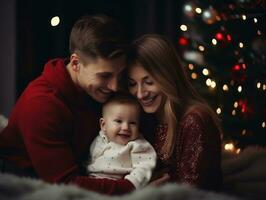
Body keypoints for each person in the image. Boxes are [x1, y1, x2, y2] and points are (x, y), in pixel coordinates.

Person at [0, 14, 135, 195]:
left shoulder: (95, 89)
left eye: (119, 74)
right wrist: (134, 187)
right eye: (104, 76)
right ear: (76, 63)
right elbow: (64, 185)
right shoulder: (41, 105)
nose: (115, 86)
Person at [127, 34, 223, 191]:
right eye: (132, 84)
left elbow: (191, 193)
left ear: (168, 76)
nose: (140, 94)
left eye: (149, 82)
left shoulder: (194, 121)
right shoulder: (144, 117)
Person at [87, 93, 157, 189]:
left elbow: (145, 166)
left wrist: (131, 183)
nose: (125, 127)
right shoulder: (100, 138)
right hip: (92, 181)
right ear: (103, 125)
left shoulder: (137, 144)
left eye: (132, 123)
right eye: (119, 121)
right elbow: (91, 159)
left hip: (120, 185)